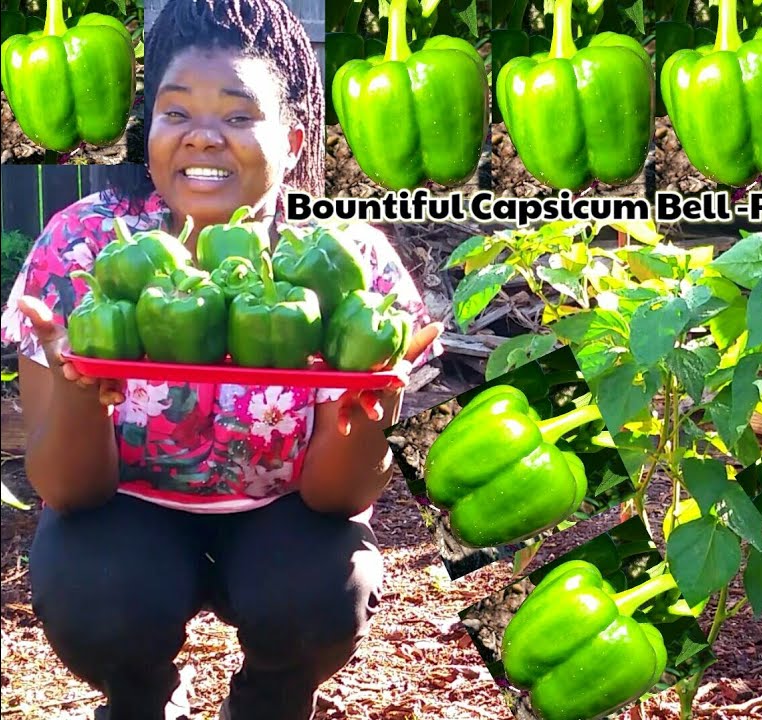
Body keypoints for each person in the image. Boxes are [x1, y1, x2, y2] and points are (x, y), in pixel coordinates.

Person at [0, 1, 444, 718]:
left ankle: (268, 702)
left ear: (295, 140)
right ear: (149, 130)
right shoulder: (84, 246)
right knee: (96, 596)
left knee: (323, 590)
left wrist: (367, 408)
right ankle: (143, 701)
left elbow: (341, 499)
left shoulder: (348, 261)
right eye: (176, 114)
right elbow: (65, 487)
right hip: (125, 512)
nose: (203, 137)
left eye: (239, 117)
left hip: (283, 515)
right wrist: (85, 389)